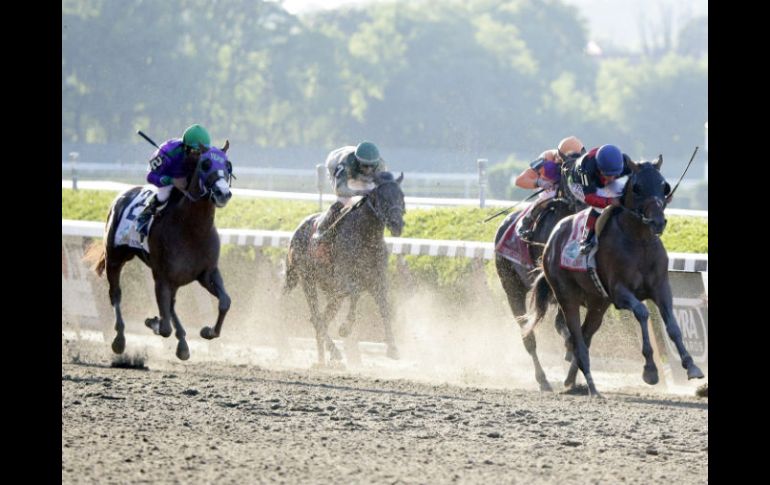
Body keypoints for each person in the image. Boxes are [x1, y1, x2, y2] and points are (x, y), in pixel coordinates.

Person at [135, 124, 211, 237]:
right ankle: (145, 215)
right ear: (185, 148)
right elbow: (150, 176)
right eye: (196, 151)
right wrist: (172, 180)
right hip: (167, 175)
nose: (200, 156)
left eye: (203, 151)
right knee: (164, 193)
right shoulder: (168, 151)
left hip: (188, 176)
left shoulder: (207, 154)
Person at [312, 141, 386, 242]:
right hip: (335, 164)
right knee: (344, 200)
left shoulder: (381, 166)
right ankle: (321, 229)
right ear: (358, 161)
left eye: (372, 166)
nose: (369, 169)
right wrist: (361, 192)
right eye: (365, 165)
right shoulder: (346, 163)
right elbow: (340, 190)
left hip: (356, 170)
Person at [567, 143, 633, 254]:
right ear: (599, 167)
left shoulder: (625, 162)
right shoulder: (585, 169)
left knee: (625, 195)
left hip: (600, 181)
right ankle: (585, 240)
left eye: (615, 174)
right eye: (607, 174)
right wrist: (609, 201)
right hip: (578, 183)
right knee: (599, 206)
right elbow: (589, 198)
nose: (611, 178)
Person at [516, 136, 585, 239]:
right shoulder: (546, 159)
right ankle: (525, 223)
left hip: (570, 189)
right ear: (560, 156)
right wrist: (539, 182)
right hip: (549, 188)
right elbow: (519, 181)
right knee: (549, 196)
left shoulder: (583, 161)